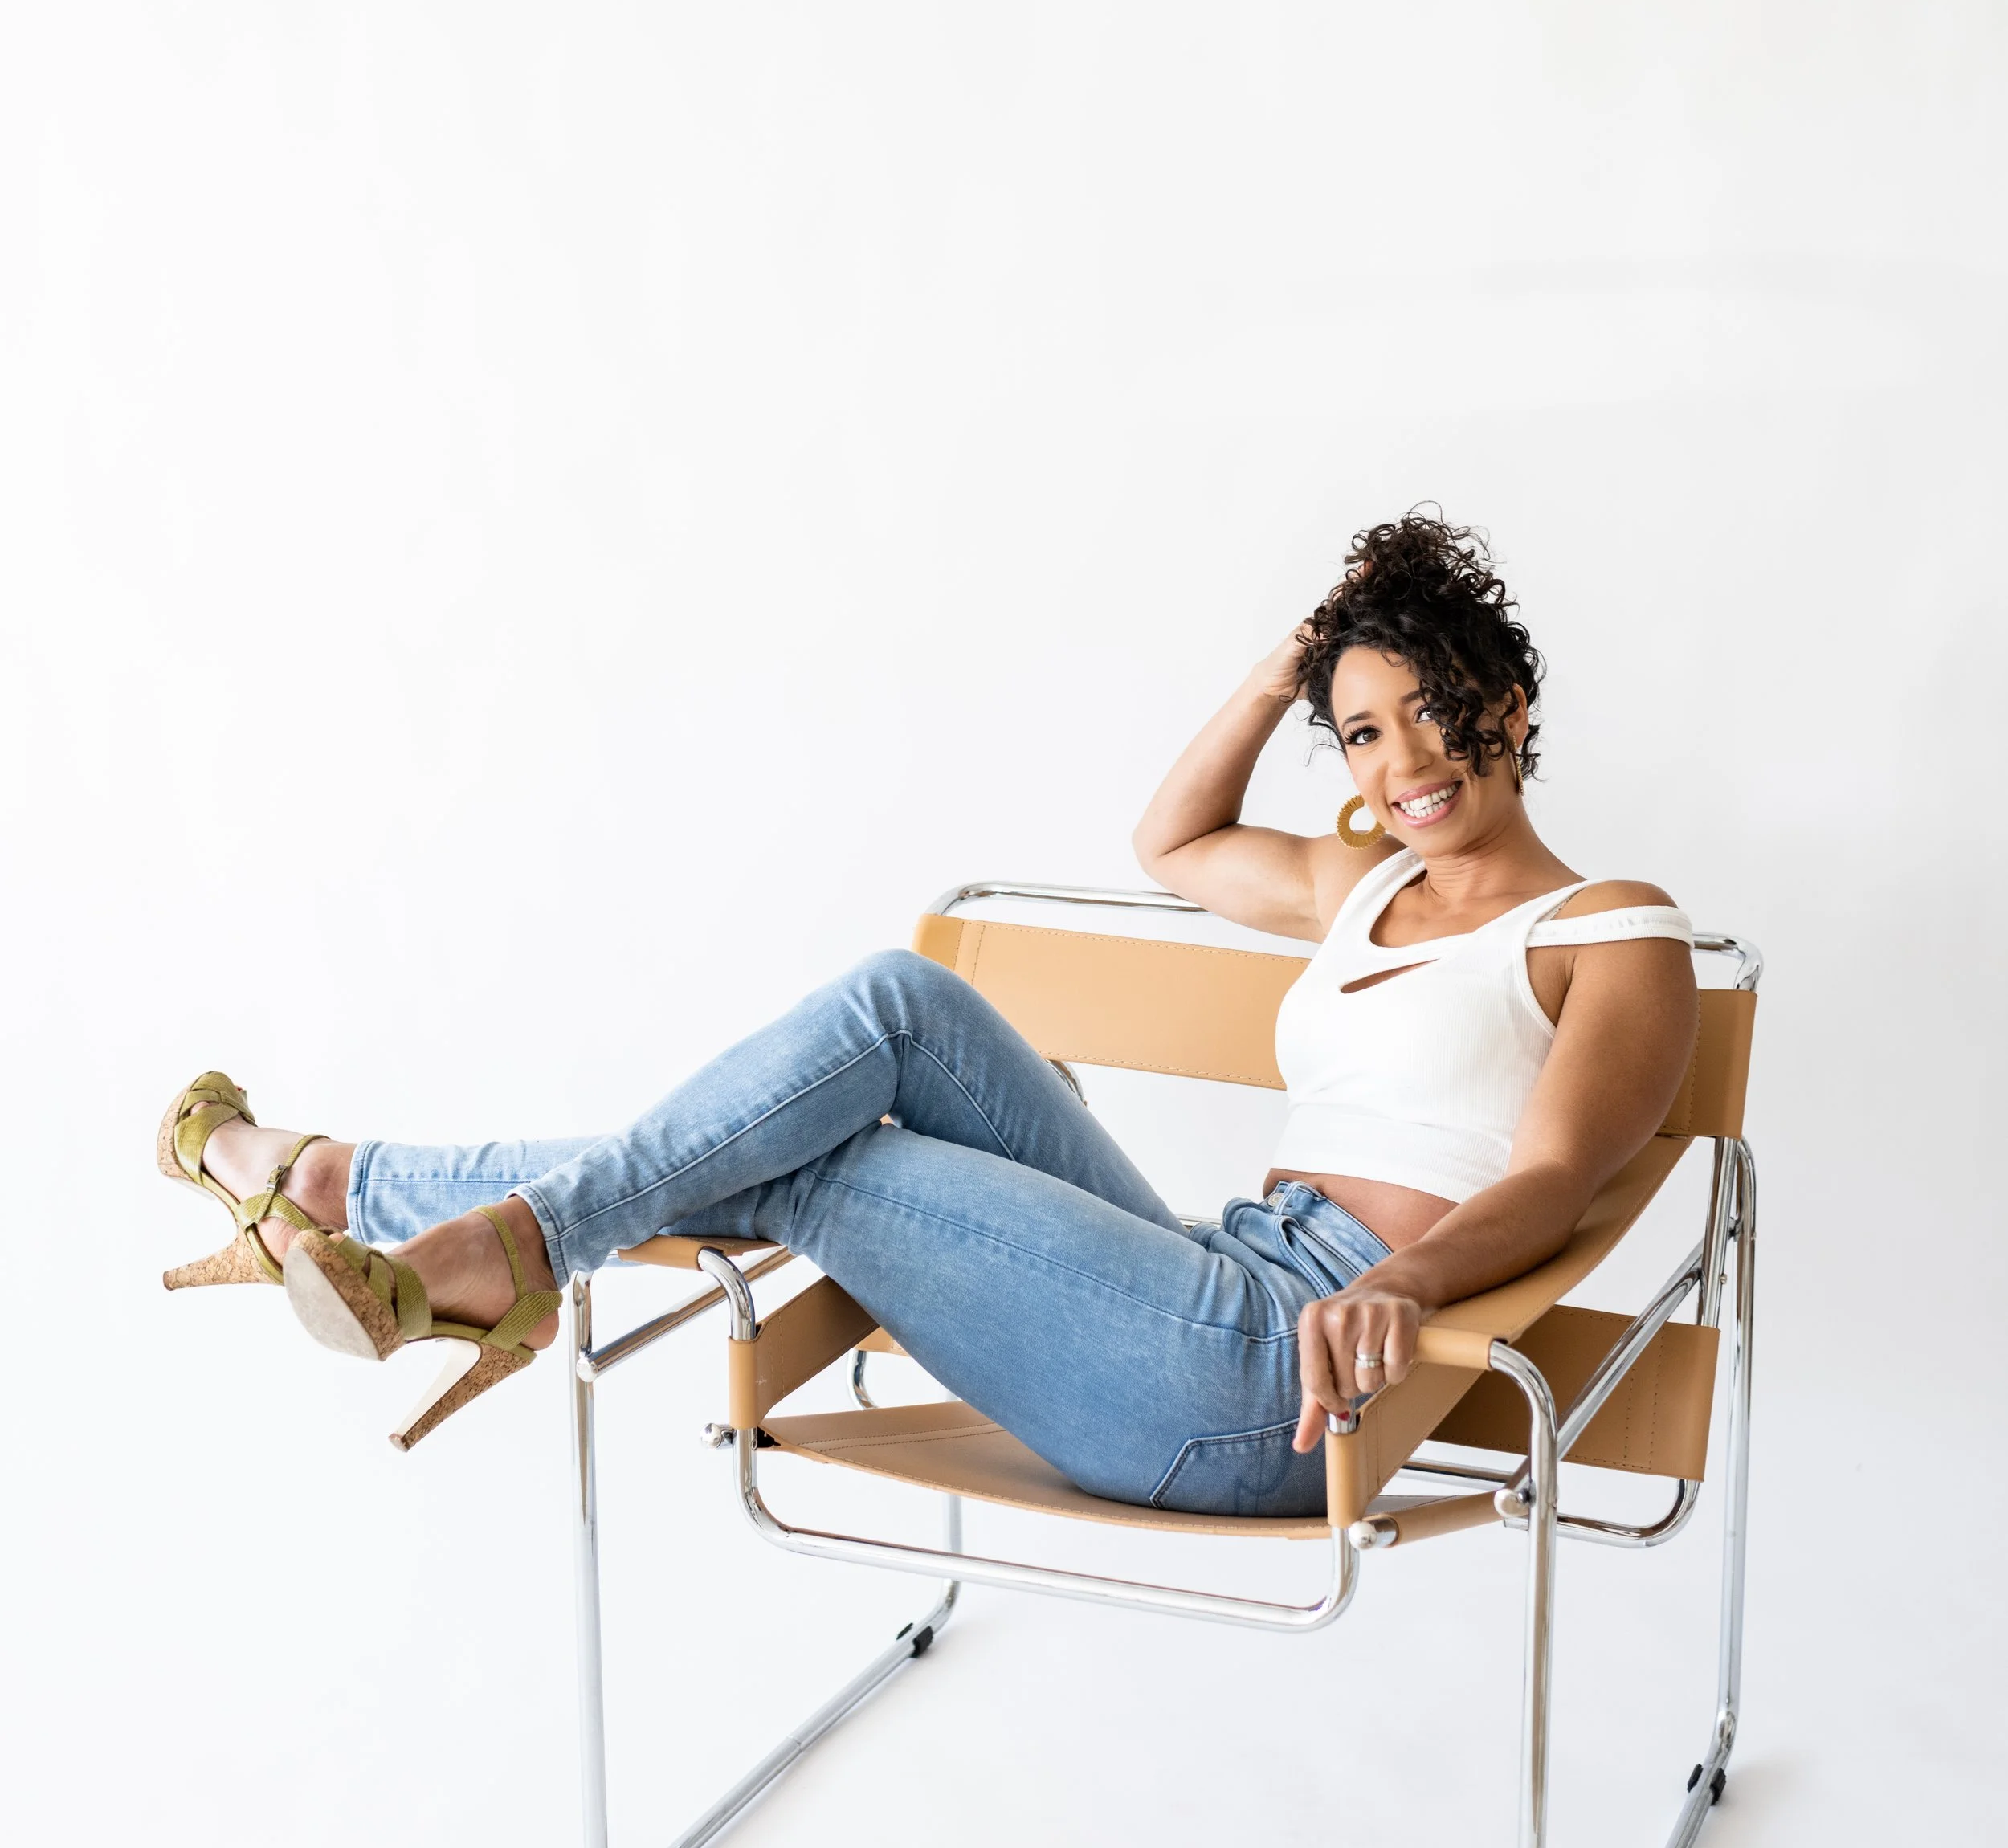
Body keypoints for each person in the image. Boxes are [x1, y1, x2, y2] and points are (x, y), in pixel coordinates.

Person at [155, 514, 1697, 1507]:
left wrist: (1406, 1289)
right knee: (904, 1004)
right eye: (1360, 730)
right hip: (1213, 1272)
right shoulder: (1361, 886)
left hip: (1294, 1377)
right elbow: (1171, 840)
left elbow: (1560, 1179)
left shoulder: (1611, 930)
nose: (1401, 757)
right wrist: (1293, 658)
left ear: (1506, 698)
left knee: (832, 1165)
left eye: (1434, 704)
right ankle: (402, 1209)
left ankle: (393, 1203)